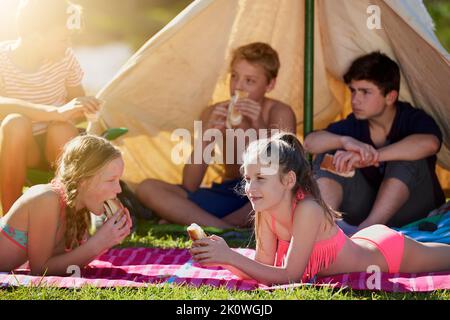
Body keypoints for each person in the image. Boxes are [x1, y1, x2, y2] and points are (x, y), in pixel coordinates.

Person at [190, 133, 450, 286]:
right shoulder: (265, 210)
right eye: (247, 178)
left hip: (386, 253)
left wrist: (230, 257)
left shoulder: (307, 209)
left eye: (260, 178)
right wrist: (222, 258)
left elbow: (289, 277)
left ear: (288, 180)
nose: (249, 187)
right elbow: (263, 268)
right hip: (359, 242)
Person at [136, 42, 296, 228]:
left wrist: (259, 125)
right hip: (227, 192)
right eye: (234, 77)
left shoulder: (278, 112)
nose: (238, 87)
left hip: (262, 192)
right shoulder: (214, 112)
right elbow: (190, 184)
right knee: (147, 188)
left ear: (270, 84)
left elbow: (281, 171)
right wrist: (207, 136)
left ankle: (205, 223)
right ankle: (225, 228)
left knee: (281, 193)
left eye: (250, 81)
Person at [303, 51, 445, 233]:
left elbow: (431, 143)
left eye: (365, 92)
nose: (355, 99)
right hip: (366, 209)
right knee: (330, 156)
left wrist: (372, 156)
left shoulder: (411, 118)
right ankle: (321, 229)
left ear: (390, 97)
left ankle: (367, 233)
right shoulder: (354, 124)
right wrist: (345, 141)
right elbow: (310, 142)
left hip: (415, 212)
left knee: (407, 155)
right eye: (353, 91)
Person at [0, 0, 102, 214]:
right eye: (62, 39)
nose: (67, 45)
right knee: (15, 123)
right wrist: (52, 112)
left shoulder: (65, 59)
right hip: (20, 146)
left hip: (56, 145)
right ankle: (11, 221)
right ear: (36, 38)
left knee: (61, 127)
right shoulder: (2, 58)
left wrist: (85, 106)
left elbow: (77, 105)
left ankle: (66, 217)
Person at [0, 134, 132, 275]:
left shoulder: (77, 210)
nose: (118, 189)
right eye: (111, 180)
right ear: (83, 180)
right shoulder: (46, 199)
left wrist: (106, 242)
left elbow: (64, 265)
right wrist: (98, 242)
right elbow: (40, 270)